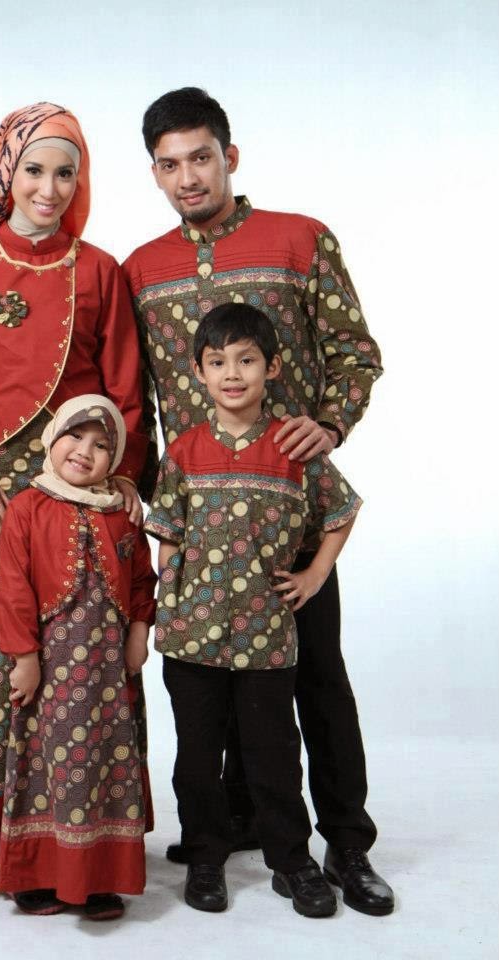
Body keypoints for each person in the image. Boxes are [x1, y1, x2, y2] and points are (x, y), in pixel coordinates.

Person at [123, 87, 394, 916]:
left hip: (287, 508)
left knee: (314, 679)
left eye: (200, 158)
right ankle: (237, 823)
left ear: (229, 157)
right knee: (214, 691)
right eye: (169, 164)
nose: (187, 177)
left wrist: (329, 424)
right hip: (199, 517)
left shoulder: (298, 239)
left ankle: (344, 842)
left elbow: (354, 352)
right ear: (154, 173)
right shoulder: (142, 269)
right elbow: (137, 392)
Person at [0, 102, 148, 876]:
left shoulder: (99, 269)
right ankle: (10, 845)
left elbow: (126, 389)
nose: (49, 188)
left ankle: (91, 847)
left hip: (84, 489)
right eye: (35, 170)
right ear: (6, 172)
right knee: (0, 654)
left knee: (90, 655)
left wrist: (124, 479)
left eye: (65, 173)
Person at [144, 303, 361, 916]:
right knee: (196, 756)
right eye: (218, 362)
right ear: (198, 372)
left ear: (272, 367)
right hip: (192, 635)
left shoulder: (294, 445)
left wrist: (315, 575)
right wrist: (170, 586)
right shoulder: (184, 451)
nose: (232, 374)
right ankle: (205, 857)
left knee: (274, 755)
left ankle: (291, 861)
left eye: (246, 361)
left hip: (267, 636)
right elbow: (168, 529)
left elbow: (342, 511)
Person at [0, 395, 156, 919]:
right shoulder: (27, 506)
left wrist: (139, 633)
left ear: (115, 460)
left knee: (108, 761)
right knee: (47, 763)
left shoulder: (121, 515)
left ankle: (101, 875)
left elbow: (141, 580)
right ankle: (38, 873)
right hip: (50, 673)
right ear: (51, 438)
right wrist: (24, 657)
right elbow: (12, 588)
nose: (85, 451)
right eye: (75, 435)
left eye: (102, 445)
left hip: (109, 675)